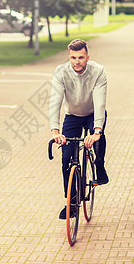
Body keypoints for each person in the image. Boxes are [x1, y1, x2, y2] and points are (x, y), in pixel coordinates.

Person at [49, 39, 108, 219]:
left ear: (87, 57)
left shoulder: (98, 72)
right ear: (69, 57)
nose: (77, 61)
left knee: (98, 141)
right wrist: (55, 131)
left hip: (92, 114)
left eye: (81, 57)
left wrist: (96, 132)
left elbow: (99, 103)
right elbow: (55, 101)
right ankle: (72, 202)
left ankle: (99, 167)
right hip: (72, 116)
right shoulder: (61, 72)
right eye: (73, 57)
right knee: (66, 158)